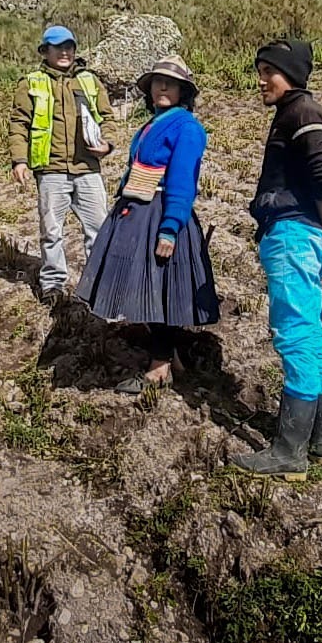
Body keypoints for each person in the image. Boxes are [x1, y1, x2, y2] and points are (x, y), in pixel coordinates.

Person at [232, 38, 322, 481]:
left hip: (293, 236)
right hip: (300, 235)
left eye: (270, 71)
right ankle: (318, 441)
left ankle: (289, 451)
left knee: (295, 335)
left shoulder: (302, 114)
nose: (262, 79)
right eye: (260, 70)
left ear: (293, 75)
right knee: (312, 332)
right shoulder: (296, 112)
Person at [75, 55, 220, 395]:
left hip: (161, 213)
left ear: (184, 91)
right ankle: (169, 356)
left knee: (159, 287)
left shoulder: (187, 128)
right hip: (138, 210)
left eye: (171, 83)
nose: (163, 87)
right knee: (151, 286)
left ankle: (159, 367)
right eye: (157, 81)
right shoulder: (151, 125)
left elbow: (183, 182)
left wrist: (170, 227)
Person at [9, 26, 118, 304]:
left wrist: (108, 144)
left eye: (69, 46)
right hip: (50, 170)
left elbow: (108, 118)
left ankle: (98, 285)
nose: (65, 51)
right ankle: (53, 285)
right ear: (45, 51)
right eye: (58, 47)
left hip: (87, 169)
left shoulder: (90, 81)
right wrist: (19, 160)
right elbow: (19, 124)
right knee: (52, 232)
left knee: (98, 229)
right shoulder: (30, 82)